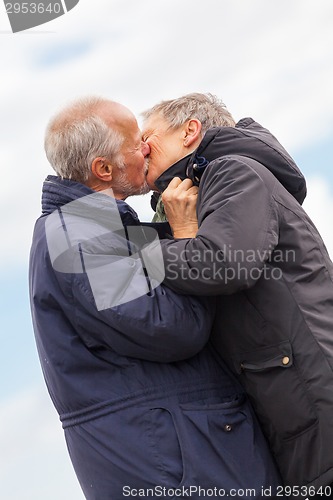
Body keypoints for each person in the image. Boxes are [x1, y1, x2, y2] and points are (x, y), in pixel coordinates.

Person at [29, 96, 281, 500]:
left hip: (183, 454)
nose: (146, 148)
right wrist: (187, 237)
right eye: (135, 143)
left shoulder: (94, 228)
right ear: (104, 169)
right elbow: (171, 329)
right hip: (177, 466)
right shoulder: (82, 233)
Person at [141, 93, 333, 491]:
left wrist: (136, 251)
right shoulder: (210, 184)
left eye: (149, 136)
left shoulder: (232, 171)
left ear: (190, 131)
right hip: (299, 400)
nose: (140, 149)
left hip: (315, 399)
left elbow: (224, 264)